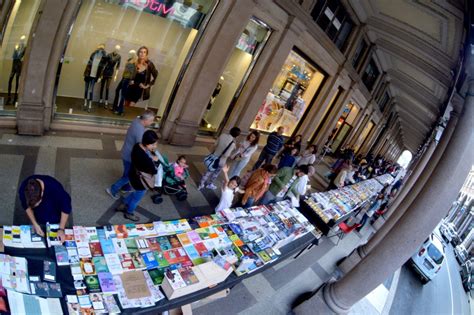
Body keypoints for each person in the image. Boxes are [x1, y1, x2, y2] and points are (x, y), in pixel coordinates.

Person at [107, 110, 155, 199]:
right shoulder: (139, 131)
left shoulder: (137, 120)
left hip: (127, 152)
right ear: (145, 120)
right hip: (130, 157)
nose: (152, 122)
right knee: (128, 176)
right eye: (151, 120)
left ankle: (125, 187)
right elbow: (142, 147)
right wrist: (150, 156)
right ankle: (112, 189)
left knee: (128, 173)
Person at [117, 130, 160, 221]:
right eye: (153, 144)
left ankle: (123, 205)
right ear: (147, 144)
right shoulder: (145, 159)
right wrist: (155, 160)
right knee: (137, 198)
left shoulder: (137, 146)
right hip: (140, 181)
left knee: (135, 193)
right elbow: (154, 171)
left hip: (132, 174)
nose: (155, 146)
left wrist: (150, 156)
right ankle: (129, 213)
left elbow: (141, 159)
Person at [18, 175, 72, 242]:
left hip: (55, 214)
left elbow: (66, 208)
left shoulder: (55, 188)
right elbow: (26, 207)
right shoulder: (24, 189)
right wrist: (35, 224)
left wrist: (61, 229)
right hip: (40, 215)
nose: (33, 208)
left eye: (37, 204)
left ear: (42, 192)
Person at [112, 49, 137, 115]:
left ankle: (120, 110)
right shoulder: (129, 60)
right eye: (129, 53)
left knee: (123, 95)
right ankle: (115, 107)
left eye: (130, 54)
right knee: (117, 90)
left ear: (133, 55)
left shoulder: (134, 62)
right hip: (124, 78)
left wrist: (132, 80)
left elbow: (134, 72)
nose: (129, 54)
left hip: (128, 79)